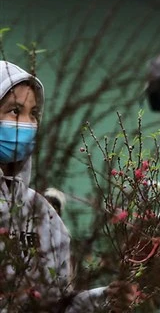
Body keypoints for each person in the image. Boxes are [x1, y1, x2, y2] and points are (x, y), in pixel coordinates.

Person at [0, 60, 135, 311]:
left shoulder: (41, 214)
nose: (27, 124)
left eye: (33, 114)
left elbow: (58, 303)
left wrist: (105, 299)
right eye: (15, 111)